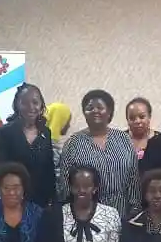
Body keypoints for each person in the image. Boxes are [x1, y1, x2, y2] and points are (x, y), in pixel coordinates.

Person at [59, 89, 140, 217]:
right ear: (84, 113)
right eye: (90, 108)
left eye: (100, 107)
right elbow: (65, 183)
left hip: (122, 211)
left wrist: (135, 209)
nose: (95, 111)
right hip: (87, 213)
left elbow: (133, 177)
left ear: (109, 113)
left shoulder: (124, 139)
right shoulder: (73, 143)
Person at [0, 84, 55, 208]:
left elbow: (49, 169)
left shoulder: (45, 132)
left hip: (40, 201)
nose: (31, 107)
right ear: (17, 104)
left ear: (41, 105)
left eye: (35, 102)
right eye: (25, 103)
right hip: (12, 199)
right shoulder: (6, 132)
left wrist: (52, 200)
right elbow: (0, 169)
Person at [44, 102, 72, 183]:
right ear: (59, 119)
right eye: (67, 121)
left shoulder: (43, 142)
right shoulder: (49, 147)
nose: (69, 126)